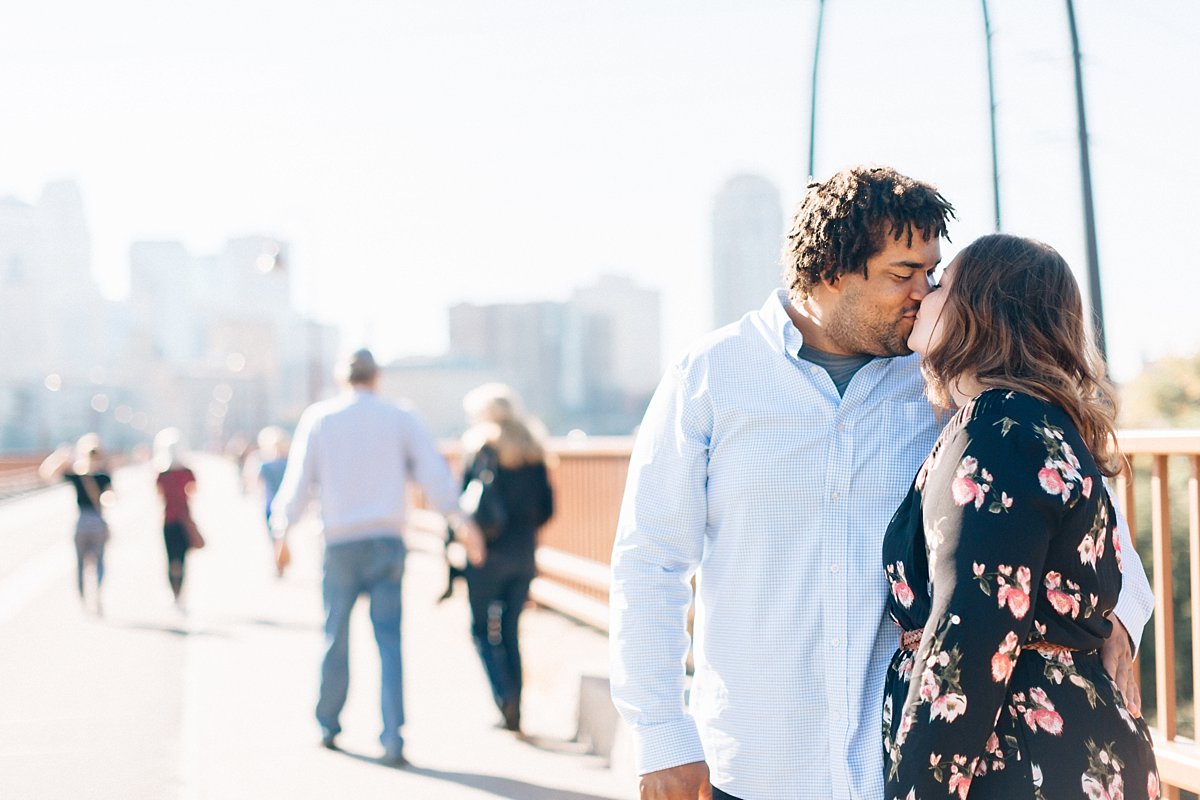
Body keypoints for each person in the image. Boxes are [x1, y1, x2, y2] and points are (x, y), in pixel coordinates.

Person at [609, 165, 1154, 800]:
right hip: (756, 763)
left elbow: (1089, 514)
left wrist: (1119, 621)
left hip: (894, 764)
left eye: (931, 273)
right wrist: (661, 734)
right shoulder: (709, 377)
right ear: (830, 271)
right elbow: (650, 562)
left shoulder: (949, 382)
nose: (923, 293)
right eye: (903, 274)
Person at [881, 234, 1159, 798]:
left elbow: (971, 631)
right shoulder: (1042, 424)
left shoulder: (996, 430)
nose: (922, 296)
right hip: (1070, 751)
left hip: (1020, 762)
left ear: (978, 312)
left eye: (941, 285)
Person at [270, 348, 483, 766]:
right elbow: (433, 474)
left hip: (339, 543)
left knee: (335, 636)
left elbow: (297, 483)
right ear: (377, 376)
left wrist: (282, 532)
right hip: (387, 540)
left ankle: (328, 725)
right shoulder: (399, 417)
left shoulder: (320, 418)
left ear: (340, 377)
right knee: (389, 641)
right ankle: (392, 737)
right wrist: (459, 518)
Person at [459, 383, 554, 733]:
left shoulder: (480, 447)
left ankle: (504, 695)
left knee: (482, 629)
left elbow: (464, 505)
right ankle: (517, 709)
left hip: (485, 553)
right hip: (523, 553)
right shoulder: (533, 448)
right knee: (511, 629)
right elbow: (547, 507)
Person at [40, 433, 113, 615]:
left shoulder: (77, 476)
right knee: (99, 561)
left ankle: (83, 600)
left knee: (80, 563)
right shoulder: (104, 476)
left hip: (81, 522)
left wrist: (60, 456)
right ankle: (97, 591)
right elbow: (112, 498)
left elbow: (46, 474)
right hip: (98, 521)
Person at [154, 428, 198, 608]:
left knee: (171, 558)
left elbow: (158, 495)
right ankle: (180, 591)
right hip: (183, 520)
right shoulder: (187, 471)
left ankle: (174, 591)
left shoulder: (162, 474)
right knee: (182, 558)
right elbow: (193, 491)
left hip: (168, 520)